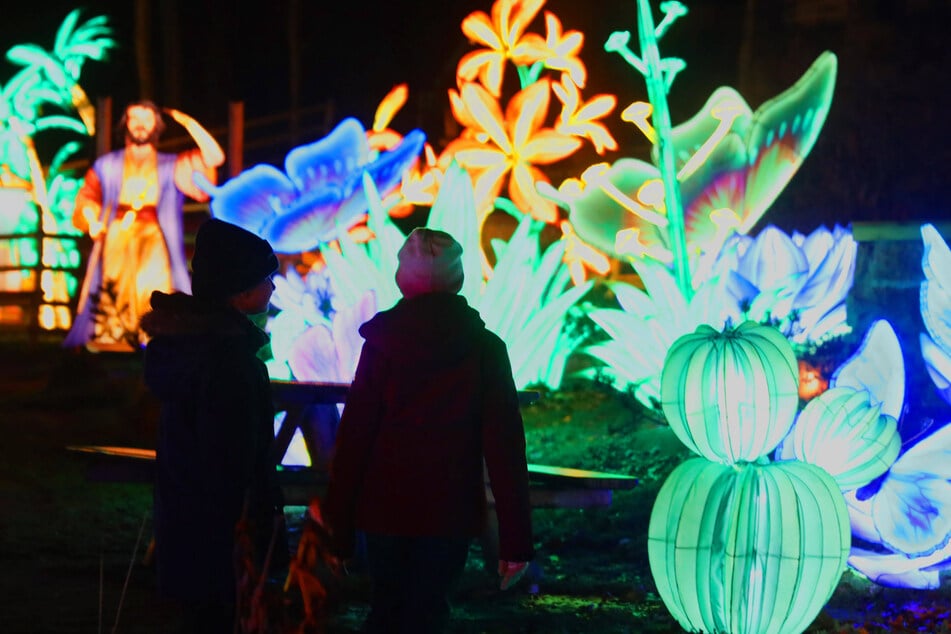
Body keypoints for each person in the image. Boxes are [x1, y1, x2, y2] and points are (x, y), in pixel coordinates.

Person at [323, 227, 534, 634]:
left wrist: (339, 529)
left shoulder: (382, 345)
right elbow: (505, 447)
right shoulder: (486, 349)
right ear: (458, 279)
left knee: (386, 609)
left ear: (403, 279)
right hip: (450, 507)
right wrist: (515, 541)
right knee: (429, 609)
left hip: (384, 503)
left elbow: (354, 438)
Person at [139, 218, 286, 634]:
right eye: (266, 279)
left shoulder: (193, 350)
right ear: (239, 292)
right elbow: (234, 456)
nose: (273, 288)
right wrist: (254, 523)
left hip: (186, 523)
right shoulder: (230, 363)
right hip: (224, 535)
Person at [65, 100, 225, 350]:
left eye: (147, 119)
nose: (140, 125)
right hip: (117, 235)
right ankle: (111, 338)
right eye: (134, 118)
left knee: (154, 289)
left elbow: (215, 157)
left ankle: (154, 338)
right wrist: (92, 220)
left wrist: (187, 122)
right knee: (111, 289)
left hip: (153, 237)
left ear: (157, 126)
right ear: (125, 124)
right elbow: (87, 197)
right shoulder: (107, 165)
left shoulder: (170, 164)